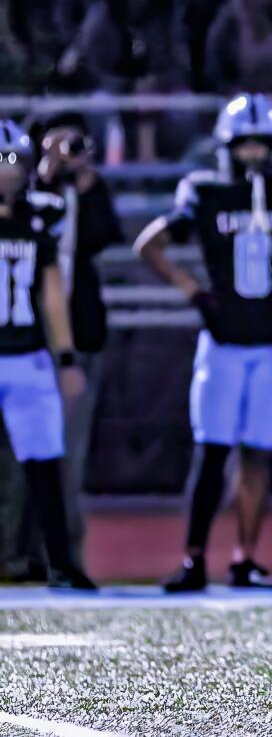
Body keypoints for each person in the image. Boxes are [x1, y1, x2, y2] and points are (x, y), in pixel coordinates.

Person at [134, 95, 272, 594]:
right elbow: (149, 243)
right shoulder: (205, 190)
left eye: (261, 144)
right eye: (244, 144)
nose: (253, 154)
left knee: (257, 454)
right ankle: (193, 558)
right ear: (226, 146)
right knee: (212, 453)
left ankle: (245, 559)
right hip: (223, 343)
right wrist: (193, 291)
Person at [0, 120, 94, 591]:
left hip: (28, 354)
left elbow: (52, 292)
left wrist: (66, 357)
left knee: (45, 466)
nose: (6, 171)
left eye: (12, 161)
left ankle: (60, 563)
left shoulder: (40, 214)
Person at [33, 117, 122, 566]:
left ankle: (63, 556)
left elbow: (101, 237)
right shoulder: (25, 191)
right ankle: (18, 553)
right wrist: (44, 175)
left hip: (79, 338)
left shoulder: (89, 190)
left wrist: (84, 185)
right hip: (24, 342)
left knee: (67, 452)